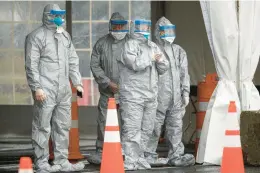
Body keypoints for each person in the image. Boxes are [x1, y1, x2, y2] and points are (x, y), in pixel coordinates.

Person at [25, 4, 85, 172]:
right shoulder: (36, 36)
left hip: (63, 90)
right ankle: (42, 162)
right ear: (47, 16)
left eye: (60, 15)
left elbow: (73, 60)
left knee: (62, 126)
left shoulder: (65, 36)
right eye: (55, 15)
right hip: (45, 89)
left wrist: (77, 82)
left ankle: (61, 161)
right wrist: (36, 87)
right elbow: (31, 64)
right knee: (42, 126)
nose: (58, 18)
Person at [117, 19, 169, 170]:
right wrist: (151, 58)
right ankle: (130, 160)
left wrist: (159, 61)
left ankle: (139, 157)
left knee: (147, 128)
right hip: (133, 95)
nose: (144, 29)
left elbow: (164, 66)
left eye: (146, 26)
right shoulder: (129, 45)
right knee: (132, 129)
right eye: (141, 27)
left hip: (150, 95)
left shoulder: (152, 45)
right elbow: (134, 64)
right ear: (134, 28)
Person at [146, 16, 195, 167]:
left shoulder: (179, 51)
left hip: (175, 98)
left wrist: (185, 93)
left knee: (176, 128)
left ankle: (176, 155)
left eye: (170, 30)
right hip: (157, 97)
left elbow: (184, 74)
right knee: (153, 127)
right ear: (158, 32)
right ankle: (148, 154)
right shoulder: (152, 49)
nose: (168, 33)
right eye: (164, 30)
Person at [89, 12, 130, 164]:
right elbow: (94, 65)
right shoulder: (101, 43)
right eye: (115, 26)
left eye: (121, 26)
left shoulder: (132, 42)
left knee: (129, 122)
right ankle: (102, 151)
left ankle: (128, 152)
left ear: (125, 26)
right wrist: (107, 82)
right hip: (108, 93)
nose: (118, 29)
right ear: (110, 26)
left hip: (128, 93)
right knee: (104, 122)